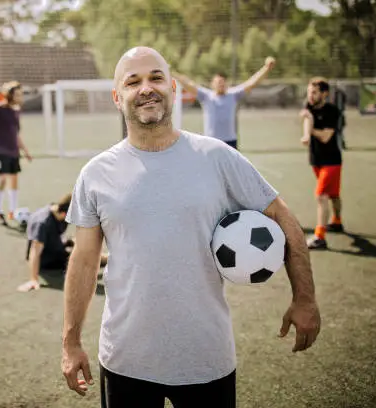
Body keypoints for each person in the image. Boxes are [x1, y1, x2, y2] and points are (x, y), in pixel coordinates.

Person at [61, 46, 321, 407]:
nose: (146, 88)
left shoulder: (216, 157)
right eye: (133, 81)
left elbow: (283, 216)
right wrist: (71, 341)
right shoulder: (96, 174)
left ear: (174, 88)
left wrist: (304, 298)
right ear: (117, 97)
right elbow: (85, 261)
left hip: (206, 358)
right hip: (125, 358)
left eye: (156, 78)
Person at [172, 57, 276, 149]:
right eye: (218, 82)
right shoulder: (206, 96)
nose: (220, 84)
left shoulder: (233, 95)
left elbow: (252, 83)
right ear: (213, 84)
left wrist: (266, 68)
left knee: (230, 171)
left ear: (226, 83)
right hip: (210, 141)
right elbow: (189, 84)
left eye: (222, 82)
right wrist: (171, 72)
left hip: (230, 141)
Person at [18, 193, 108, 293]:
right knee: (87, 258)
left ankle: (110, 259)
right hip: (47, 259)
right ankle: (109, 259)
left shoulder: (59, 211)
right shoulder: (42, 223)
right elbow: (35, 251)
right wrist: (33, 279)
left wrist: (69, 242)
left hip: (56, 247)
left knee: (87, 251)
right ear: (65, 214)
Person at [300, 77, 344, 250]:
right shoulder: (308, 105)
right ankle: (337, 221)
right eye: (309, 92)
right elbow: (306, 120)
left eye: (314, 92)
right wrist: (305, 134)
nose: (310, 95)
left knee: (321, 195)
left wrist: (309, 130)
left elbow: (326, 137)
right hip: (316, 160)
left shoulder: (332, 111)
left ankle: (320, 237)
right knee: (333, 194)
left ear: (324, 94)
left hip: (332, 161)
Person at [0, 81, 33, 226]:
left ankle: (12, 211)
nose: (20, 97)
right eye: (17, 94)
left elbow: (16, 134)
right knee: (3, 179)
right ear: (9, 95)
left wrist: (25, 151)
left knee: (14, 180)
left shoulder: (16, 111)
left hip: (14, 152)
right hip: (1, 151)